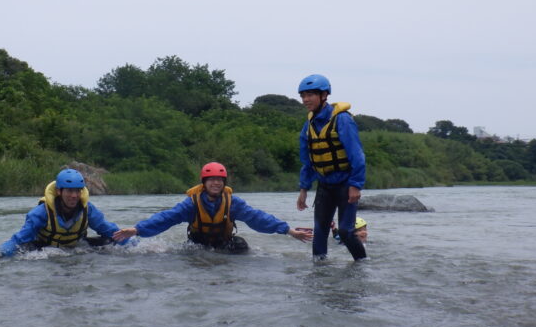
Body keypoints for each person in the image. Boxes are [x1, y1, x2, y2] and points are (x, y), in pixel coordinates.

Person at [112, 162, 313, 253]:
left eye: (219, 180)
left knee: (242, 248)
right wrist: (137, 229)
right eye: (212, 180)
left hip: (223, 243)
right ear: (204, 182)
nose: (216, 183)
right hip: (198, 245)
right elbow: (166, 218)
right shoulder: (191, 204)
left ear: (224, 182)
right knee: (192, 256)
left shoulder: (232, 202)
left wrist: (288, 231)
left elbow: (258, 218)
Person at [296, 74, 367, 261]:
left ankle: (362, 264)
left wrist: (355, 185)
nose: (305, 100)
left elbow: (357, 155)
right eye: (303, 95)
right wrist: (303, 189)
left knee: (345, 230)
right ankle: (319, 272)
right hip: (325, 186)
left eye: (310, 95)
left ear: (324, 95)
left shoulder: (342, 120)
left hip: (345, 184)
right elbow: (308, 160)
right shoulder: (308, 125)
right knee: (319, 231)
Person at [0, 168, 123, 260]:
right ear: (59, 191)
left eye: (77, 191)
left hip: (75, 247)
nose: (74, 196)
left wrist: (134, 244)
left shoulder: (88, 210)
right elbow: (19, 240)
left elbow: (109, 230)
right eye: (69, 191)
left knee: (110, 241)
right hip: (44, 248)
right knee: (22, 249)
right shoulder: (41, 212)